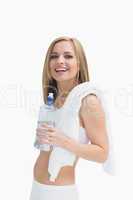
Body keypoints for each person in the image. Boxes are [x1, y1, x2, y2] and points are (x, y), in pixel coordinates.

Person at [29, 36, 110, 200]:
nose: (60, 61)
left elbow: (102, 153)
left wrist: (62, 141)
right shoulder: (53, 99)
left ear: (79, 64)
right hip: (37, 189)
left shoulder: (88, 101)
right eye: (54, 56)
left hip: (59, 194)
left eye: (68, 56)